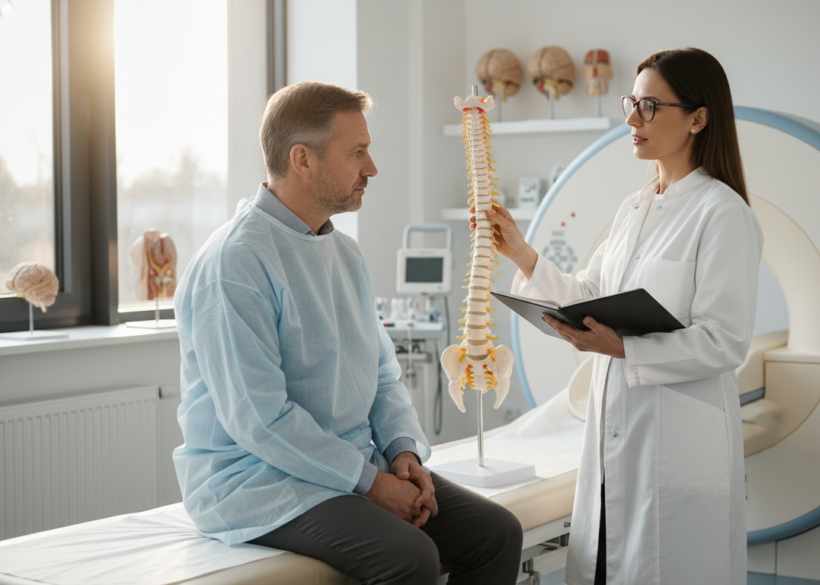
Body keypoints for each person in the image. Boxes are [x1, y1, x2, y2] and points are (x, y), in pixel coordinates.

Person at [173, 81, 522, 584]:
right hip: (257, 479)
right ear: (303, 159)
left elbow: (380, 374)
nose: (371, 168)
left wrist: (402, 454)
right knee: (409, 557)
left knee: (498, 534)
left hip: (351, 468)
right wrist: (372, 486)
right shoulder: (236, 263)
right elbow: (261, 420)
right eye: (357, 152)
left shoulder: (344, 254)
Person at [479, 48, 762, 584]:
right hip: (615, 434)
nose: (631, 119)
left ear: (699, 118)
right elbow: (591, 291)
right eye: (633, 103)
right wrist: (521, 253)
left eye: (650, 106)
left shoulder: (723, 214)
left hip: (676, 437)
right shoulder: (634, 206)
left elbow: (726, 342)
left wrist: (623, 348)